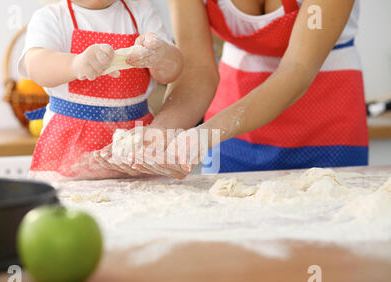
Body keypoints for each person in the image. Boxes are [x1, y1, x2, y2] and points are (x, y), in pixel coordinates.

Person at [95, 0, 368, 180]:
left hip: (327, 121)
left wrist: (204, 135)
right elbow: (196, 69)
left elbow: (296, 69)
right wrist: (161, 132)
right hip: (229, 129)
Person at [18, 0, 183, 181]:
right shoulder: (52, 17)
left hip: (136, 145)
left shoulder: (141, 11)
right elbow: (34, 65)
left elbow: (172, 72)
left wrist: (160, 55)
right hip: (69, 149)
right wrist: (74, 64)